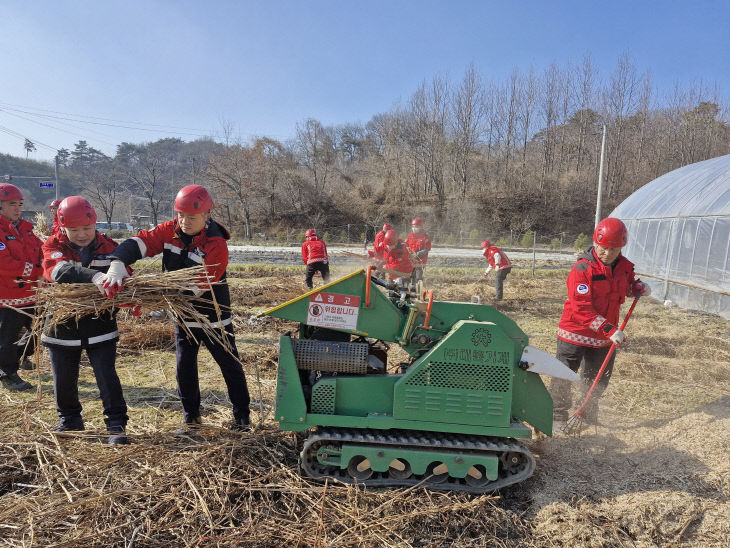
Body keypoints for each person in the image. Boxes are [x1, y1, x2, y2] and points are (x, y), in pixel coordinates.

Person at [101, 185, 251, 430]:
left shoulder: (216, 244)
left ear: (207, 215)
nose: (184, 222)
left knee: (230, 366)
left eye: (191, 217)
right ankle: (191, 418)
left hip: (213, 317)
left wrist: (148, 295)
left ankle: (242, 418)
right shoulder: (170, 230)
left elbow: (193, 287)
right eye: (180, 215)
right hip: (182, 316)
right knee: (184, 367)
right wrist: (118, 262)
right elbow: (141, 241)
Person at [42, 196, 131, 444]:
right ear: (62, 227)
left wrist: (128, 293)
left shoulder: (110, 247)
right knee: (64, 378)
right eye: (74, 230)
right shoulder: (52, 245)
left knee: (106, 374)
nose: (82, 235)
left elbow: (125, 278)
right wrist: (94, 277)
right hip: (61, 325)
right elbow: (57, 271)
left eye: (87, 228)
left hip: (100, 324)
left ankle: (116, 423)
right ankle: (70, 420)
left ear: (96, 224)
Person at [550, 217, 650, 426]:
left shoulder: (624, 267)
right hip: (575, 333)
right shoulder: (582, 270)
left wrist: (638, 288)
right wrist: (608, 329)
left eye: (613, 249)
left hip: (603, 338)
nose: (608, 253)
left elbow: (625, 286)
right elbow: (581, 309)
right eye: (604, 248)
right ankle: (557, 417)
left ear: (621, 247)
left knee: (596, 378)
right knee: (564, 376)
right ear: (596, 243)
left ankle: (586, 416)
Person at [0, 183, 43, 392]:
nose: (17, 208)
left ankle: (19, 357)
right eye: (11, 204)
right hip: (6, 296)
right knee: (7, 338)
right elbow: (4, 263)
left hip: (31, 293)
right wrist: (35, 270)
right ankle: (7, 374)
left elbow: (40, 252)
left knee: (41, 328)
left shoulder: (26, 229)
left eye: (19, 204)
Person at [382, 229, 413, 301]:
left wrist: (386, 267)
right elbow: (384, 254)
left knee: (403, 294)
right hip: (391, 273)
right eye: (387, 245)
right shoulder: (387, 244)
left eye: (391, 245)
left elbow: (397, 265)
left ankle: (405, 305)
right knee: (392, 294)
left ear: (396, 243)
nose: (388, 247)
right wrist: (373, 255)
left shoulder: (402, 249)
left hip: (403, 273)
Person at [405, 217, 431, 289]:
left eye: (416, 227)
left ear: (420, 227)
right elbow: (405, 246)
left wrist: (417, 255)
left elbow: (426, 249)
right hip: (410, 262)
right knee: (409, 278)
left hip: (420, 262)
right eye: (413, 227)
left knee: (418, 279)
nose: (414, 228)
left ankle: (418, 294)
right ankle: (409, 293)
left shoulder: (425, 237)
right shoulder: (409, 236)